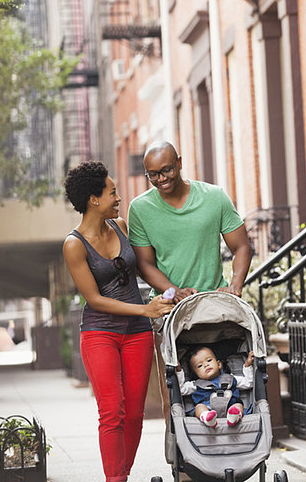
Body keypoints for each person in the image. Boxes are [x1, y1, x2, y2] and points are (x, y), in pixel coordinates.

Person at [63, 160, 174, 482]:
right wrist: (144, 310)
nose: (118, 197)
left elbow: (144, 267)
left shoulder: (121, 226)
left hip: (137, 334)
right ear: (93, 200)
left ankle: (120, 474)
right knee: (112, 412)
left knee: (136, 414)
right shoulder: (74, 245)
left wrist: (173, 291)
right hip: (100, 333)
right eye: (112, 192)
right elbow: (94, 299)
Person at [127, 141, 252, 415]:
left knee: (227, 376)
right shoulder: (140, 209)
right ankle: (180, 455)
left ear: (180, 163)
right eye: (153, 175)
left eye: (167, 170)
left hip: (215, 310)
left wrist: (235, 286)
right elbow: (144, 264)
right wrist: (173, 289)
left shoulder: (214, 197)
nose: (161, 179)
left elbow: (241, 246)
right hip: (169, 311)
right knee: (173, 393)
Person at [176, 347, 254, 428]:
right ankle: (207, 418)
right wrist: (178, 371)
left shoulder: (230, 378)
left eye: (209, 360)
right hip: (208, 408)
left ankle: (234, 417)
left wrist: (247, 365)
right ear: (196, 374)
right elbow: (181, 389)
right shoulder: (195, 384)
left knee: (238, 405)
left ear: (219, 364)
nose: (206, 365)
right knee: (199, 408)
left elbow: (249, 382)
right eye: (200, 366)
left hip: (230, 407)